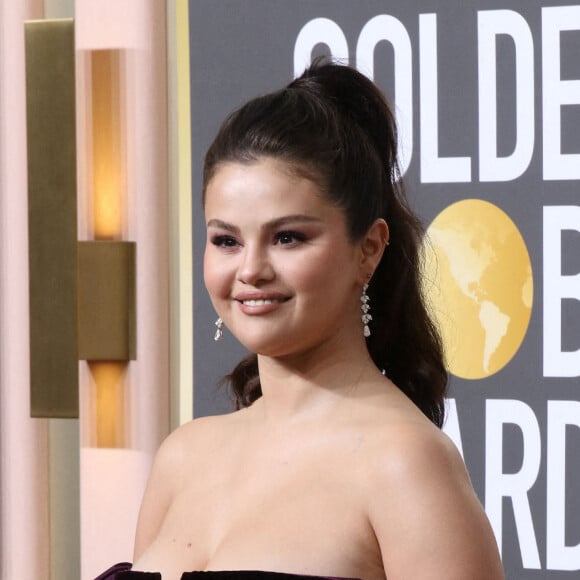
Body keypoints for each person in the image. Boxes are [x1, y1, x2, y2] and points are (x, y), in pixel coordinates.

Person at [98, 60, 504, 580]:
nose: (250, 270)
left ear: (369, 249)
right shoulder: (183, 457)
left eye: (288, 237)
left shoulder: (406, 466)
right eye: (226, 240)